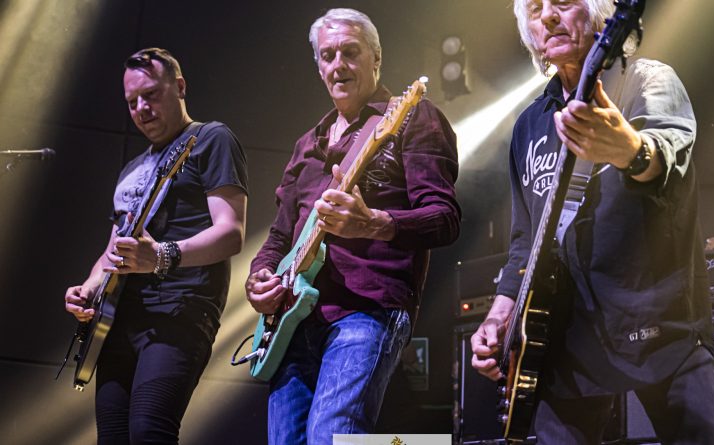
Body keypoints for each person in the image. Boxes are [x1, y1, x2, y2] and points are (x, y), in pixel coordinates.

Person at [471, 0, 714, 443]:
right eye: (535, 9)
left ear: (600, 15)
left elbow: (665, 154)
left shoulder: (647, 80)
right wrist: (498, 317)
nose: (548, 16)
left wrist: (629, 150)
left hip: (658, 322)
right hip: (567, 342)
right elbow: (524, 243)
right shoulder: (529, 124)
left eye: (563, 2)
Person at [246, 8, 460, 444]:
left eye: (350, 52)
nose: (338, 64)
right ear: (318, 66)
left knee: (333, 437)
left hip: (367, 310)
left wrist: (374, 223)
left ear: (376, 58)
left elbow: (445, 218)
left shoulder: (412, 117)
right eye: (327, 55)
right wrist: (259, 277)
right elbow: (281, 235)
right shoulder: (307, 145)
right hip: (293, 320)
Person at [64, 47, 248, 444]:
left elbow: (232, 233)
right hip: (118, 318)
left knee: (150, 430)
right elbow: (113, 249)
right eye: (132, 102)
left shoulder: (210, 138)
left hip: (181, 309)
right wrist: (89, 288)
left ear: (179, 87)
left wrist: (163, 255)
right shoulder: (132, 170)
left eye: (150, 95)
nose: (141, 109)